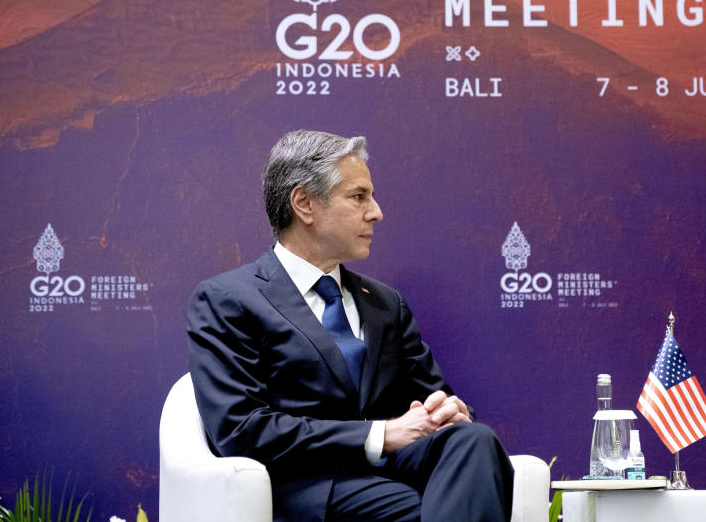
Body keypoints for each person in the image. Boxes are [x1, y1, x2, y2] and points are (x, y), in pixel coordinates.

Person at [187, 130, 514, 522]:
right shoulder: (230, 299)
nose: (376, 212)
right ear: (304, 204)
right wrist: (379, 436)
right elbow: (241, 429)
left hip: (397, 472)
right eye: (359, 197)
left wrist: (448, 412)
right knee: (437, 511)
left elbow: (435, 397)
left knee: (473, 439)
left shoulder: (385, 303)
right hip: (311, 486)